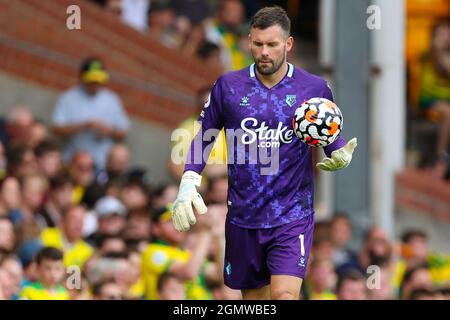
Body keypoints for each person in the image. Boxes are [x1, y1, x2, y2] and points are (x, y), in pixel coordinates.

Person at [172, 6, 358, 300]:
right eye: (257, 44)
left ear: (288, 44)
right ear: (249, 41)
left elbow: (329, 132)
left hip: (292, 214)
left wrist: (339, 152)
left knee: (284, 296)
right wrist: (188, 180)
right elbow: (204, 136)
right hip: (244, 216)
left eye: (272, 44)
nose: (264, 52)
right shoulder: (228, 87)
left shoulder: (313, 88)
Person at [52, 57, 130, 170]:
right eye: (92, 80)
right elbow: (56, 129)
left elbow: (124, 131)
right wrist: (84, 126)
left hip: (101, 163)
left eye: (99, 80)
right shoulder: (68, 98)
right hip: (73, 161)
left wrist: (109, 130)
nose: (95, 84)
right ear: (82, 78)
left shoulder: (112, 100)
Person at [418, 20, 450, 177]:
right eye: (441, 34)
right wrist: (439, 53)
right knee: (448, 112)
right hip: (429, 100)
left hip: (446, 100)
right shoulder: (428, 54)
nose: (444, 37)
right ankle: (441, 156)